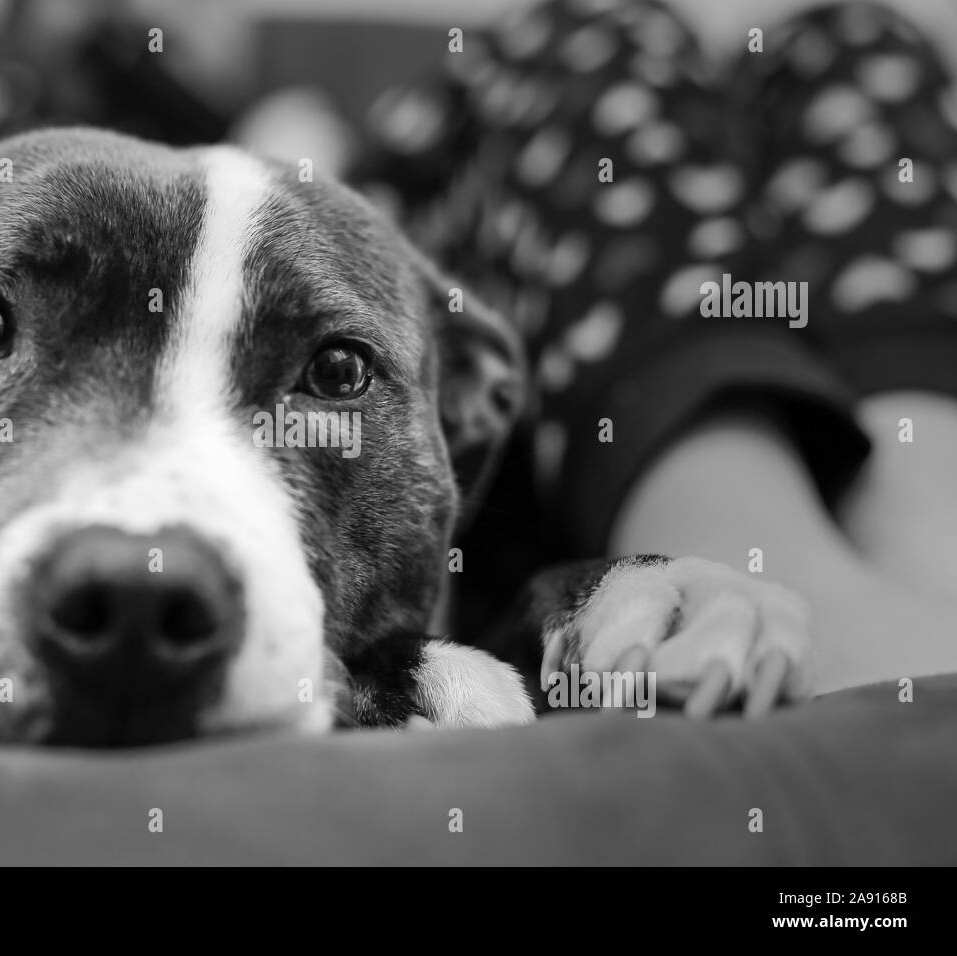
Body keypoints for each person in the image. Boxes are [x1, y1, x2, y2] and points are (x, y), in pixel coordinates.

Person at [360, 0, 957, 697]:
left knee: (858, 39)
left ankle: (917, 568)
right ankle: (787, 572)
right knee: (598, 34)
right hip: (508, 403)